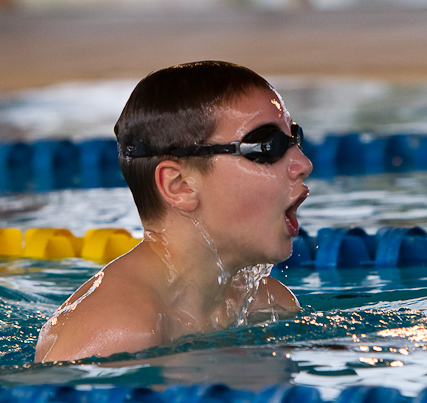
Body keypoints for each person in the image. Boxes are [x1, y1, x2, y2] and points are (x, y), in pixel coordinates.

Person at [34, 61, 313, 363]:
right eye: (266, 146)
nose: (303, 164)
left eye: (294, 139)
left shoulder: (269, 306)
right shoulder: (118, 333)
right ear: (179, 185)